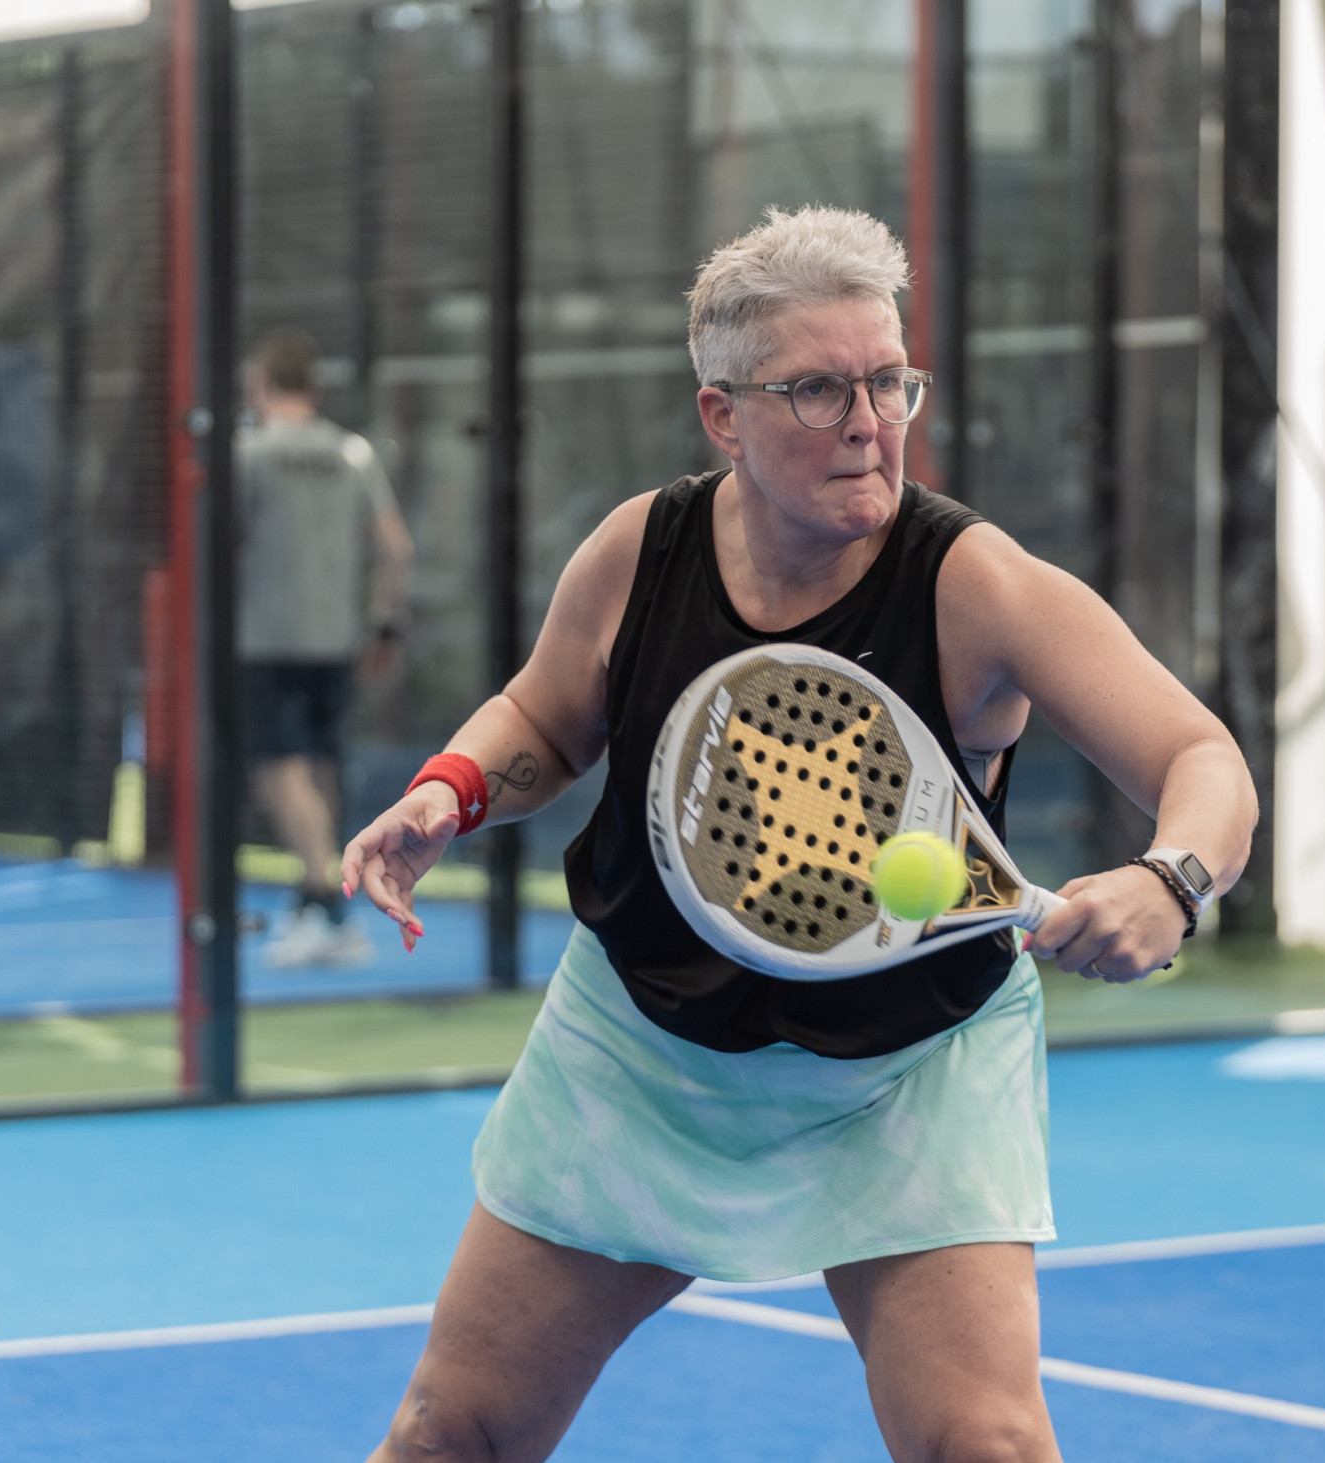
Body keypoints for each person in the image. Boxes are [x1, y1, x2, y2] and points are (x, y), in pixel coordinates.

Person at [341, 206, 1258, 1462]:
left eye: (888, 381)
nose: (869, 420)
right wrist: (446, 790)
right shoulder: (640, 550)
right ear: (722, 415)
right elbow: (547, 716)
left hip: (909, 1070)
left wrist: (1172, 876)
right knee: (453, 1432)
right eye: (820, 389)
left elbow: (1202, 758)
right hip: (638, 1051)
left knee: (982, 1443)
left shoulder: (975, 586)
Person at [239, 328, 415, 967]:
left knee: (278, 770)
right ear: (311, 387)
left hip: (266, 639)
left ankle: (326, 905)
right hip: (336, 642)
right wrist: (385, 625)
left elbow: (220, 542)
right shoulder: (352, 452)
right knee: (317, 768)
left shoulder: (248, 453)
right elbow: (396, 548)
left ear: (260, 384)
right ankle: (320, 900)